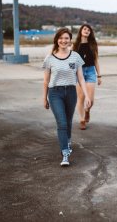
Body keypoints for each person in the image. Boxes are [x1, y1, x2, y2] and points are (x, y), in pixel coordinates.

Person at [43, 27, 91, 167]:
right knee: (62, 123)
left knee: (68, 121)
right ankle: (65, 153)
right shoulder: (50, 58)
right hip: (55, 93)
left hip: (70, 92)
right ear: (57, 40)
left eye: (66, 38)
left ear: (70, 40)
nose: (63, 41)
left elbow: (81, 78)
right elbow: (46, 80)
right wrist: (44, 97)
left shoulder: (75, 56)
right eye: (61, 38)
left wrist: (87, 96)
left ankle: (67, 140)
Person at [72, 24, 102, 130]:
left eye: (89, 30)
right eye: (85, 29)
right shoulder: (75, 45)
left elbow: (96, 61)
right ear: (81, 31)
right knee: (81, 98)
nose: (87, 31)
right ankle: (82, 119)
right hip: (78, 73)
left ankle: (87, 111)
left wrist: (99, 75)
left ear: (90, 33)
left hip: (90, 72)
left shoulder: (93, 45)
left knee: (91, 100)